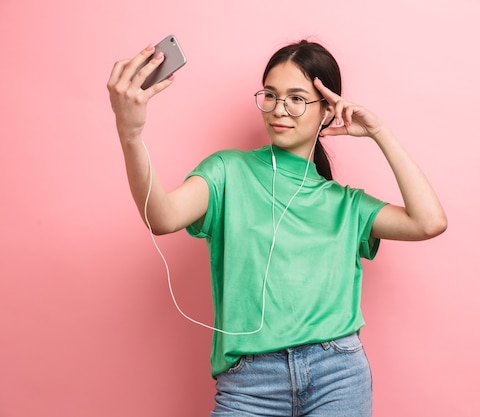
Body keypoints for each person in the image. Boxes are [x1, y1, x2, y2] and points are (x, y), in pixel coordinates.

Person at [107, 39, 447, 417]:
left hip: (337, 375)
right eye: (270, 95)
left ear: (327, 112)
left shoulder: (345, 204)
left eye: (297, 98)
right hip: (250, 383)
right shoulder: (227, 170)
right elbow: (162, 216)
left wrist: (380, 131)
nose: (278, 109)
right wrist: (130, 134)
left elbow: (429, 222)